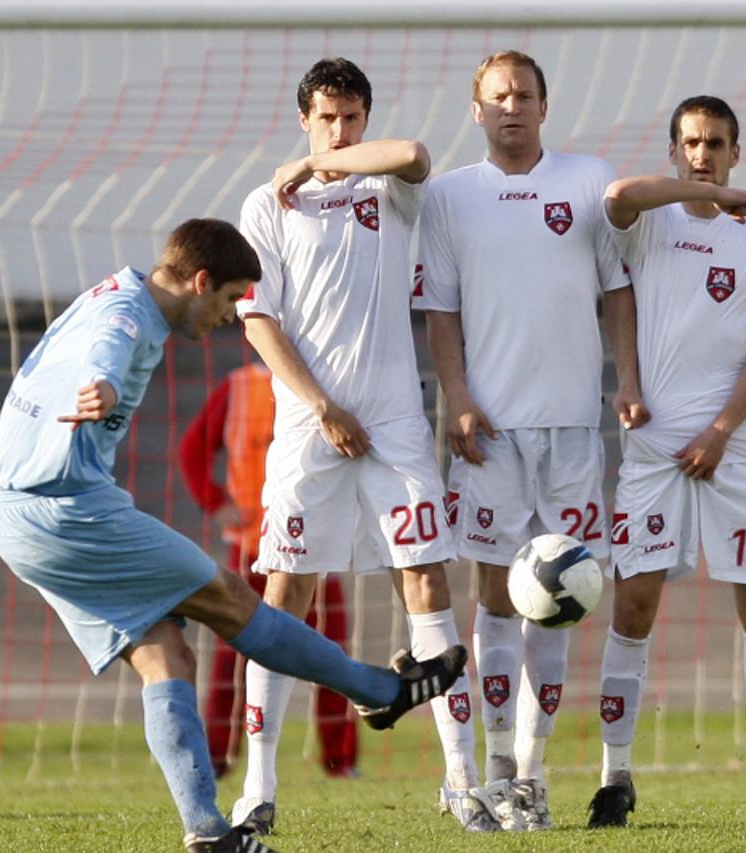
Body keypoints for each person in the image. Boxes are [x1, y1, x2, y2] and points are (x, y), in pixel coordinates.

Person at [0, 218, 466, 853]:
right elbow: (107, 347)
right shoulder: (127, 317)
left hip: (15, 519)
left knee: (165, 654)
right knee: (233, 600)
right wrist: (102, 385)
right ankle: (381, 692)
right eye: (229, 298)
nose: (232, 315)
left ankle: (209, 834)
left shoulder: (111, 291)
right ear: (201, 281)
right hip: (66, 509)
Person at [231, 57, 478, 836]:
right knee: (285, 596)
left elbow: (416, 155)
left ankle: (463, 780)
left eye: (350, 117)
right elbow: (258, 319)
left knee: (427, 583)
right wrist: (321, 405)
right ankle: (259, 788)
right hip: (310, 426)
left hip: (397, 421)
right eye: (325, 118)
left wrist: (318, 161)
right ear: (302, 113)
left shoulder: (384, 188)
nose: (340, 128)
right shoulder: (266, 205)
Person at [416, 50, 646, 831]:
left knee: (562, 601)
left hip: (576, 425)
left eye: (524, 94)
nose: (511, 106)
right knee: (494, 596)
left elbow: (619, 291)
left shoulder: (588, 180)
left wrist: (628, 380)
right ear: (475, 109)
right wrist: (457, 396)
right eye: (497, 96)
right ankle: (494, 766)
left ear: (545, 106)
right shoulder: (448, 198)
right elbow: (439, 311)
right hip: (490, 429)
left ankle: (534, 774)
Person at [585, 96, 746, 829]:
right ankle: (614, 775)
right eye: (690, 143)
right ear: (676, 147)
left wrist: (720, 429)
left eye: (715, 144)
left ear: (737, 150)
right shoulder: (652, 217)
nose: (702, 153)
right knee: (633, 604)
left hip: (740, 444)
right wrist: (705, 193)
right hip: (653, 443)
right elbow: (618, 194)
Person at [178, 361, 358, 780]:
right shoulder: (240, 386)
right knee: (234, 658)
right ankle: (218, 759)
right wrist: (214, 501)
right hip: (252, 546)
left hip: (312, 543)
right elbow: (192, 449)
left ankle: (340, 761)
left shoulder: (324, 384)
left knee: (331, 649)